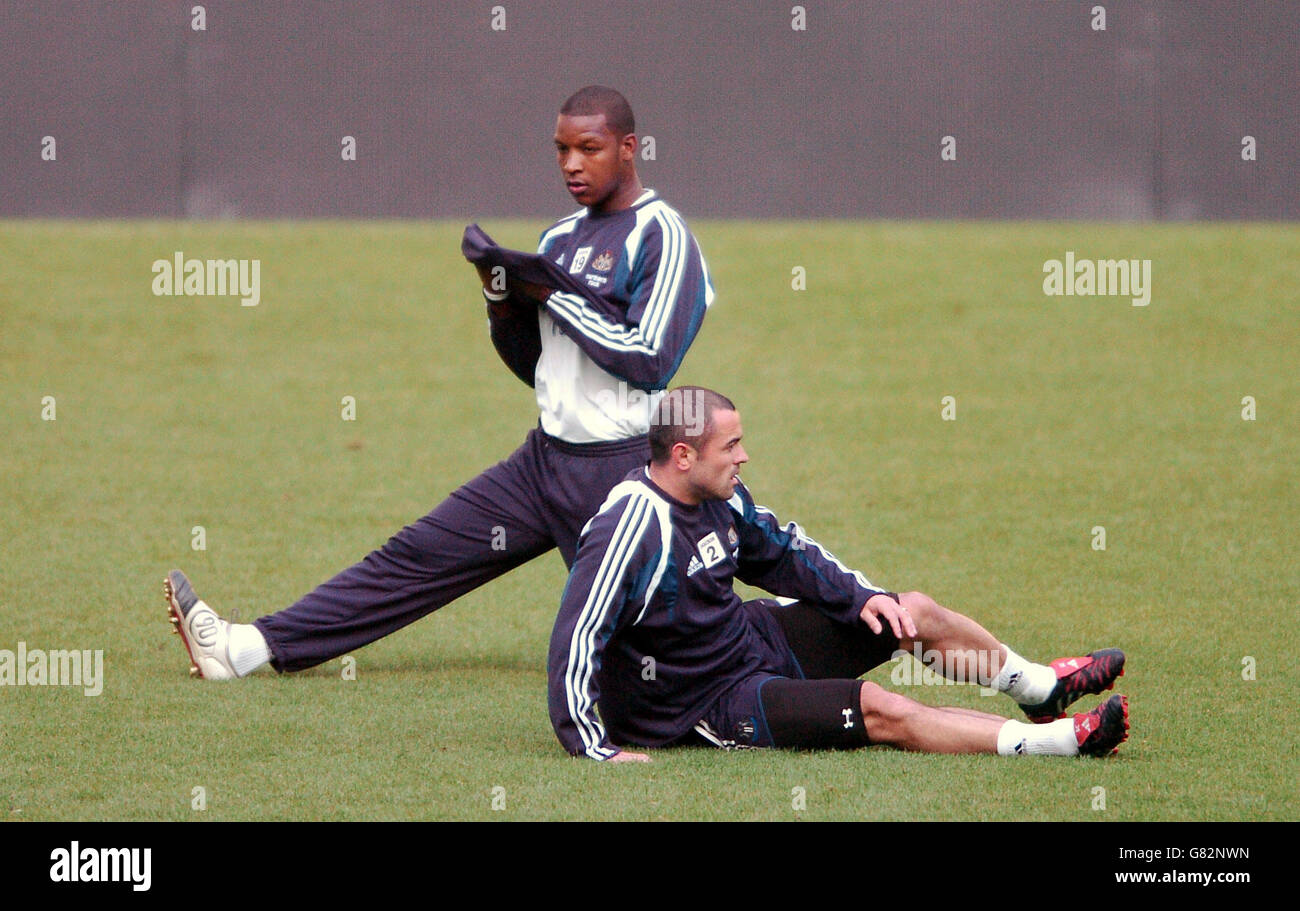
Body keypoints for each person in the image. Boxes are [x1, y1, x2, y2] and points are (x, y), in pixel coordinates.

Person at [164, 86, 715, 679]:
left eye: (589, 148)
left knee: (668, 646)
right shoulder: (559, 238)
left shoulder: (662, 234)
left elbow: (650, 357)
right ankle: (244, 649)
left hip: (620, 472)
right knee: (416, 554)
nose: (572, 165)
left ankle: (807, 640)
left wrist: (549, 290)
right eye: (560, 150)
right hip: (544, 463)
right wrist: (501, 299)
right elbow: (539, 366)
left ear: (629, 148)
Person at [548, 386, 1129, 762]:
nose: (743, 456)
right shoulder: (628, 527)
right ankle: (1059, 742)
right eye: (732, 445)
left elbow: (782, 554)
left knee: (912, 612)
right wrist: (590, 745)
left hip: (749, 640)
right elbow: (577, 634)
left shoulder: (720, 495)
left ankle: (1041, 689)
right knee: (883, 708)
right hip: (703, 700)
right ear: (682, 456)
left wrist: (859, 599)